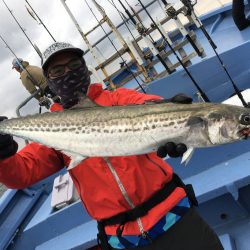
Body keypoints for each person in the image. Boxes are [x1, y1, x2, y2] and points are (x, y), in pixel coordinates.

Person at [0, 42, 224, 250]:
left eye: (74, 65)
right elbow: (19, 174)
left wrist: (169, 111)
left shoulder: (117, 99)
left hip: (174, 217)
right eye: (58, 72)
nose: (67, 73)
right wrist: (2, 154)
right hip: (123, 239)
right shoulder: (55, 128)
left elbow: (147, 105)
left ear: (85, 68)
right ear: (49, 81)